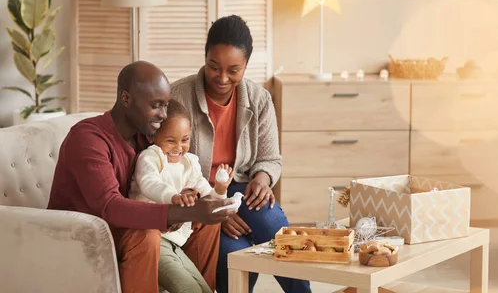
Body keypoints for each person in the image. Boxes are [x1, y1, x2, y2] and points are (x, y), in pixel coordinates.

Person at [47, 61, 236, 293]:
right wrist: (182, 211)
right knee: (146, 234)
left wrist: (194, 198)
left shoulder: (144, 138)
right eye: (156, 106)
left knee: (206, 223)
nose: (163, 115)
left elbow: (166, 178)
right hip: (84, 234)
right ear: (126, 99)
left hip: (120, 228)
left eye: (166, 106)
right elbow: (110, 207)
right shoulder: (88, 139)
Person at [171, 15, 312, 293]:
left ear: (246, 65)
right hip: (198, 196)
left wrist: (262, 177)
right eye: (214, 67)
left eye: (233, 70)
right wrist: (214, 212)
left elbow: (271, 158)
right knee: (233, 254)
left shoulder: (259, 99)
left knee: (273, 225)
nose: (222, 78)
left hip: (242, 189)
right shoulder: (178, 97)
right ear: (205, 58)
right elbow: (168, 165)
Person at [129, 99, 234, 293]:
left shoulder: (189, 163)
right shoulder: (151, 156)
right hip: (153, 241)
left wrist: (220, 188)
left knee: (205, 290)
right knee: (189, 289)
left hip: (176, 242)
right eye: (171, 140)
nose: (178, 147)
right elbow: (149, 183)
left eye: (185, 140)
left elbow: (210, 198)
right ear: (152, 136)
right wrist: (174, 198)